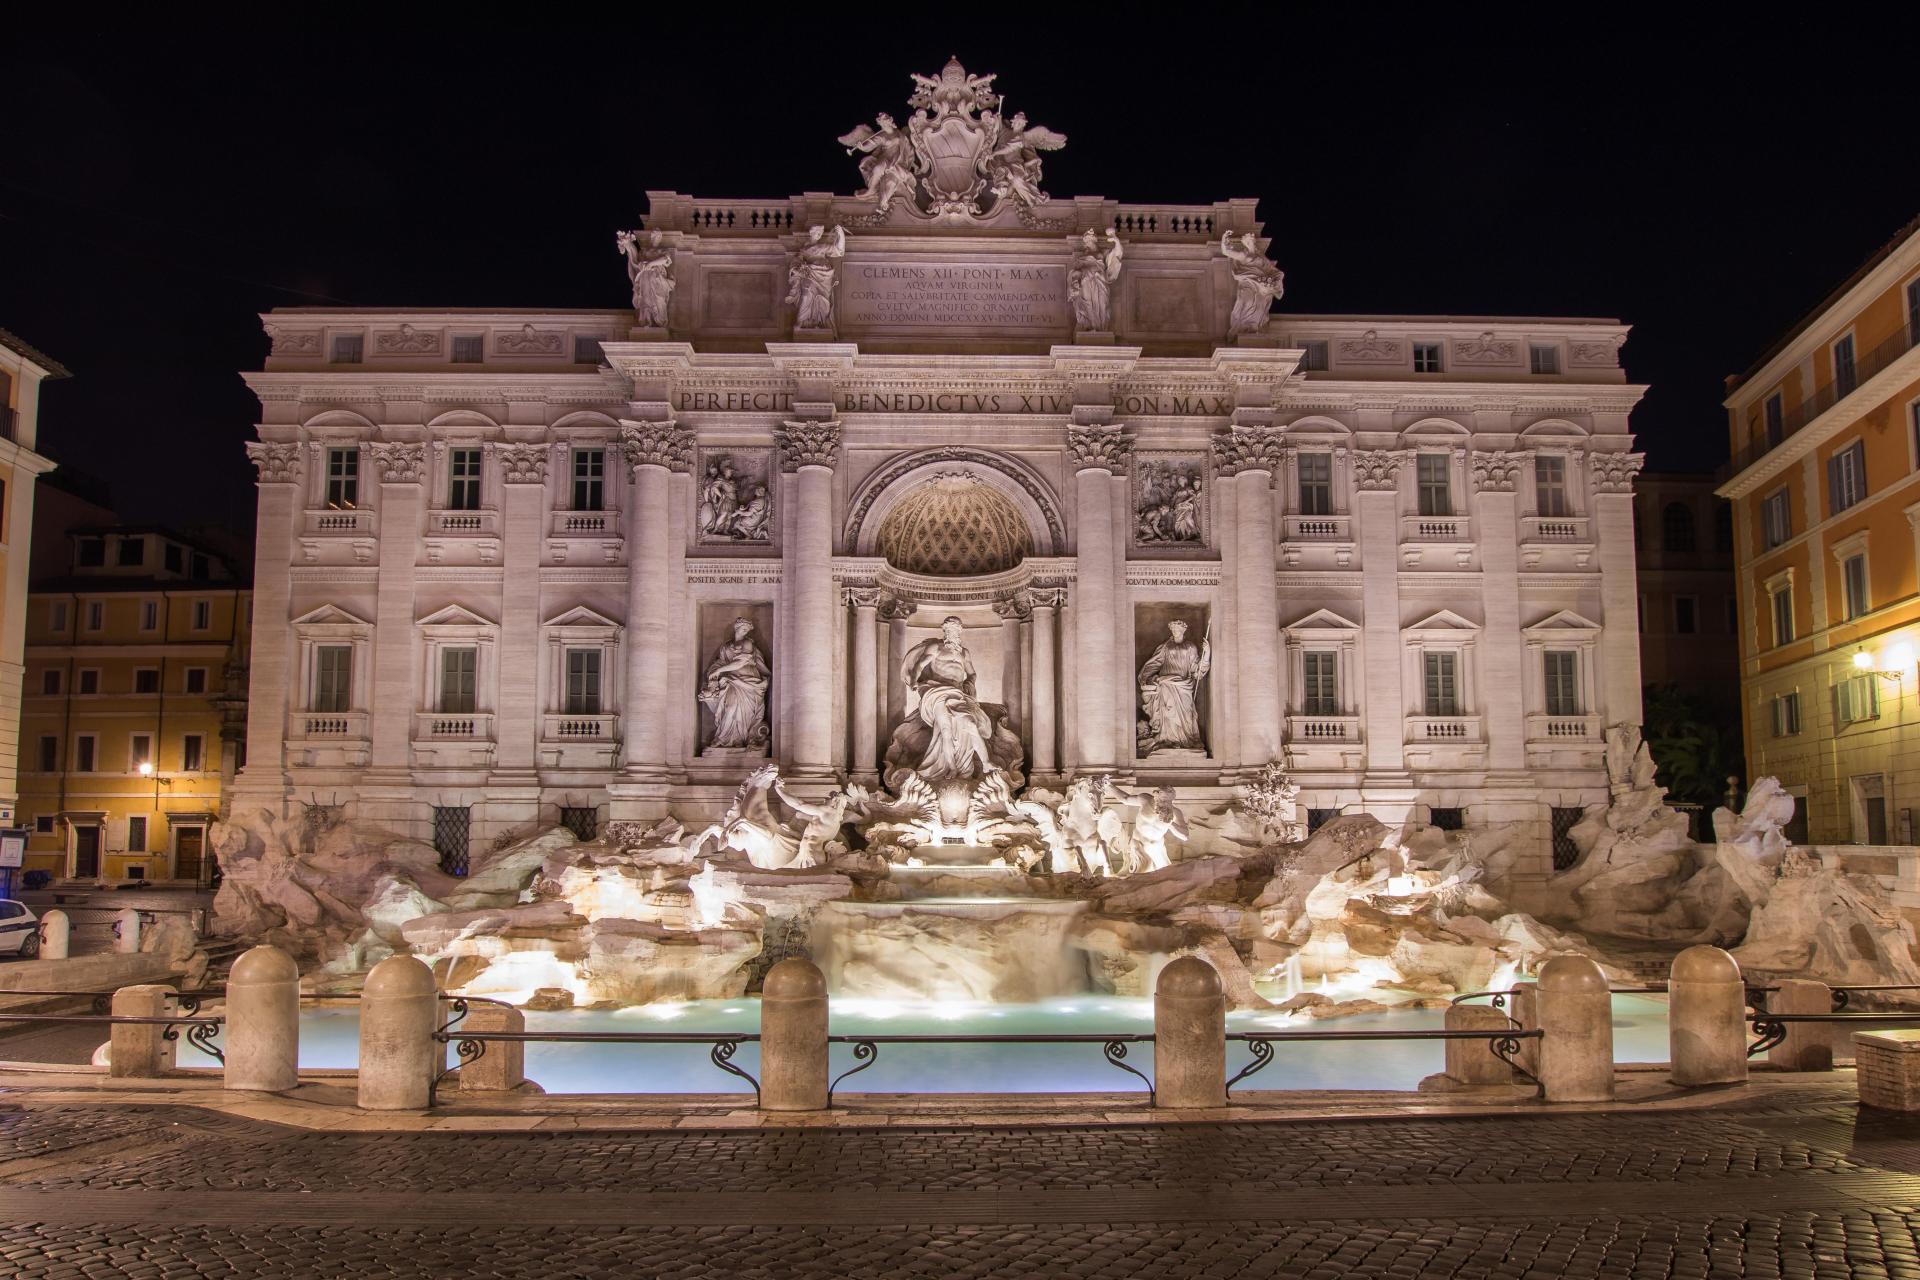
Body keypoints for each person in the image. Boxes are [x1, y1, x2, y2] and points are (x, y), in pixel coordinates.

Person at [1137, 618, 1211, 753]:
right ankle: (1168, 740)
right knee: (1168, 712)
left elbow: (1197, 670)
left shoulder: (1191, 647)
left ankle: (1186, 741)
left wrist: (1206, 654)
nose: (1176, 632)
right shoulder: (1165, 646)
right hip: (1166, 684)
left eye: (1178, 629)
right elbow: (1155, 663)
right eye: (1173, 629)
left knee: (1187, 714)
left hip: (1184, 686)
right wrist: (1146, 678)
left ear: (1183, 631)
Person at [699, 618, 770, 749]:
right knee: (730, 708)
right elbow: (720, 662)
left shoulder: (748, 643)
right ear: (736, 628)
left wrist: (720, 670)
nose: (745, 632)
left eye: (747, 630)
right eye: (743, 629)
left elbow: (741, 662)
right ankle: (724, 738)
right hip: (731, 682)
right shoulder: (726, 646)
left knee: (744, 713)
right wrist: (714, 671)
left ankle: (740, 739)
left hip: (748, 682)